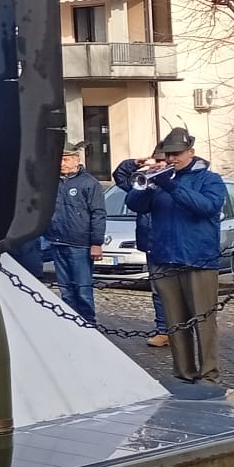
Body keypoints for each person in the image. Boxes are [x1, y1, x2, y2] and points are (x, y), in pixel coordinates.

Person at [124, 126, 227, 385]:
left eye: (177, 154)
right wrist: (146, 187)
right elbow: (134, 204)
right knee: (175, 322)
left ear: (191, 152)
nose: (171, 159)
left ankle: (209, 375)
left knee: (203, 320)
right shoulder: (159, 179)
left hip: (198, 259)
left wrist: (171, 187)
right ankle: (183, 372)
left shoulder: (209, 179)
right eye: (168, 154)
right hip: (164, 257)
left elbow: (207, 208)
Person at [43, 141, 106, 322]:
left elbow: (98, 213)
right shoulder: (52, 182)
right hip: (56, 241)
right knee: (66, 290)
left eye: (66, 159)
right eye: (59, 160)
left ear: (76, 160)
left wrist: (96, 243)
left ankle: (88, 324)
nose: (62, 163)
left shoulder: (89, 183)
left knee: (82, 289)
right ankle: (70, 323)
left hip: (80, 244)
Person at [114, 151, 169, 346]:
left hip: (172, 244)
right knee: (158, 291)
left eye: (164, 161)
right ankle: (163, 331)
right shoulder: (145, 182)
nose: (160, 164)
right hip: (151, 244)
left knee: (177, 292)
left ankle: (180, 329)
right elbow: (120, 177)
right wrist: (137, 163)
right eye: (158, 161)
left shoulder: (175, 180)